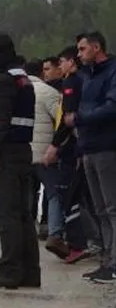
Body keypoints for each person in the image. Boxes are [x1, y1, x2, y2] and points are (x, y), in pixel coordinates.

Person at [0, 33, 40, 289]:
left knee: (8, 215)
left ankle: (10, 269)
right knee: (23, 215)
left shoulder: (2, 80)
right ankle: (29, 271)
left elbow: (0, 121)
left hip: (5, 154)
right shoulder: (21, 78)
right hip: (21, 152)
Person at [68, 31, 116, 284]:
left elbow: (111, 107)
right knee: (100, 209)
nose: (79, 54)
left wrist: (80, 118)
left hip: (107, 147)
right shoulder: (87, 76)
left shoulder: (111, 72)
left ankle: (114, 263)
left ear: (97, 48)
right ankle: (107, 259)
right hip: (88, 147)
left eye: (82, 48)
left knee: (112, 207)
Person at [43, 46, 92, 263]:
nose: (61, 65)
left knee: (69, 195)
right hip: (82, 146)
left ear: (71, 62)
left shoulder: (72, 82)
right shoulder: (86, 79)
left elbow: (68, 120)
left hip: (72, 149)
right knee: (87, 197)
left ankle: (77, 244)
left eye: (62, 61)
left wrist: (55, 146)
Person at [26, 60, 63, 255]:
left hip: (24, 153)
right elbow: (61, 120)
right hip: (45, 154)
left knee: (29, 193)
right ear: (42, 72)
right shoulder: (49, 92)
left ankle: (27, 230)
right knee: (53, 194)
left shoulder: (19, 91)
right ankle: (53, 232)